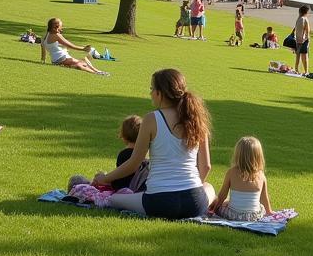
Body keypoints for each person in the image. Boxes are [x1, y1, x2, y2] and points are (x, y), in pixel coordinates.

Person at [96, 69, 214, 219]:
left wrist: (104, 178)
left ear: (160, 93)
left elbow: (134, 163)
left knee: (112, 199)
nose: (150, 93)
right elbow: (206, 166)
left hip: (159, 202)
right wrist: (190, 190)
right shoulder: (196, 119)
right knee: (209, 187)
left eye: (152, 89)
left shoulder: (152, 119)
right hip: (194, 203)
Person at [210, 135, 272, 221]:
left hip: (233, 215)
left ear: (238, 155)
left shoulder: (231, 172)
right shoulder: (261, 176)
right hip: (253, 216)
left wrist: (214, 209)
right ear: (258, 156)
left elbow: (222, 196)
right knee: (259, 206)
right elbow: (264, 198)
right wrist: (269, 212)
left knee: (225, 202)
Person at [40, 18, 108, 75]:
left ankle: (97, 71)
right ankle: (97, 72)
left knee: (83, 61)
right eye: (61, 26)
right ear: (56, 27)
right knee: (80, 64)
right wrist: (83, 49)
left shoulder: (44, 36)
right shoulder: (56, 35)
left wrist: (43, 61)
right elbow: (70, 45)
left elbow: (43, 52)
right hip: (62, 58)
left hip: (56, 60)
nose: (62, 28)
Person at [111, 114, 147, 191]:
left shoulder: (124, 154)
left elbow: (121, 177)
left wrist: (108, 179)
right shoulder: (143, 154)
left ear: (123, 135)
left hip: (126, 189)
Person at [294, 6, 311, 75]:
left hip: (297, 40)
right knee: (305, 57)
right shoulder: (305, 19)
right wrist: (308, 40)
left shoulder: (298, 19)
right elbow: (307, 31)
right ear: (306, 12)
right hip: (303, 40)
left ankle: (296, 70)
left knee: (298, 56)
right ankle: (306, 71)